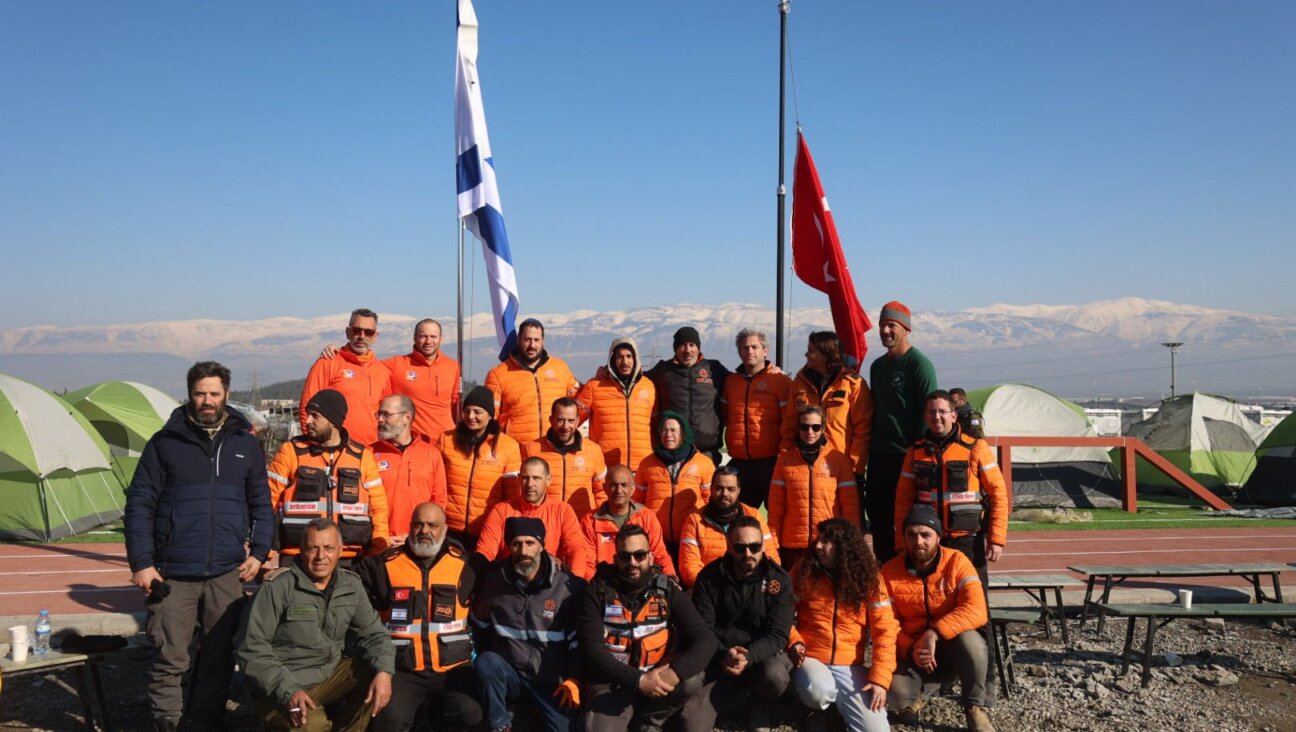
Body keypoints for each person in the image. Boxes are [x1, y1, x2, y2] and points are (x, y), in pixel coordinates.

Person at [124, 361, 273, 732]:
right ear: (190, 393)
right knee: (169, 660)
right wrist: (142, 563)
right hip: (173, 573)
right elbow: (139, 504)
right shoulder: (165, 443)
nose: (207, 400)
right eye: (200, 393)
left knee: (219, 659)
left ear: (226, 395)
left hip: (226, 574)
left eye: (214, 393)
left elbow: (261, 504)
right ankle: (169, 726)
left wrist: (258, 553)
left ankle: (204, 723)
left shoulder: (245, 443)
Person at [894, 389, 1007, 708]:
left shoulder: (975, 448)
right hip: (929, 546)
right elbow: (903, 499)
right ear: (926, 417)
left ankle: (986, 685)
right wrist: (900, 541)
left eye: (942, 412)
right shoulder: (915, 451)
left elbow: (998, 493)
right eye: (931, 413)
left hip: (967, 544)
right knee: (926, 609)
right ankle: (934, 677)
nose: (937, 417)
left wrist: (996, 538)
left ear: (954, 415)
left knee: (977, 613)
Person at [239, 518, 395, 732]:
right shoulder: (277, 587)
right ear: (302, 551)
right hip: (280, 686)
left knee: (373, 673)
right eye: (313, 548)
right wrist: (288, 691)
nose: (321, 556)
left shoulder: (350, 585)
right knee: (314, 726)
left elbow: (375, 635)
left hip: (326, 676)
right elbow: (251, 649)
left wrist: (385, 672)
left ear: (340, 551)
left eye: (329, 548)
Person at [352, 502, 483, 732]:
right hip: (403, 670)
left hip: (452, 669)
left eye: (432, 525)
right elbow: (345, 580)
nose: (424, 531)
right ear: (410, 527)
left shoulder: (465, 565)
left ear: (444, 530)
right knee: (387, 722)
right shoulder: (384, 564)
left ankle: (432, 717)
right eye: (418, 524)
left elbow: (506, 575)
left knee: (471, 713)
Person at [576, 524, 717, 732]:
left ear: (651, 557)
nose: (632, 563)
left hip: (659, 675)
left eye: (640, 555)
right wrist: (639, 680)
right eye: (625, 556)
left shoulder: (667, 590)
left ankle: (649, 721)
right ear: (616, 559)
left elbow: (706, 639)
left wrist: (675, 673)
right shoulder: (596, 592)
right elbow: (592, 652)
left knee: (691, 681)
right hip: (614, 680)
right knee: (595, 729)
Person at [470, 516, 587, 732]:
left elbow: (578, 642)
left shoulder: (567, 587)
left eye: (530, 543)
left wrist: (574, 678)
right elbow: (480, 630)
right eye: (516, 543)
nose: (523, 551)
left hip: (552, 682)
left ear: (542, 545)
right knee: (486, 662)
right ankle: (500, 723)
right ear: (509, 547)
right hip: (511, 676)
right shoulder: (493, 584)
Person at [882, 506, 993, 732]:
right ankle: (923, 692)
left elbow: (977, 609)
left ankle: (974, 708)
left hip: (951, 647)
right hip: (913, 652)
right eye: (911, 535)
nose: (918, 541)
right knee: (895, 695)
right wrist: (911, 648)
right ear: (903, 537)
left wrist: (934, 633)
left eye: (925, 535)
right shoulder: (888, 572)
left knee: (973, 643)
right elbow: (884, 623)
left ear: (938, 537)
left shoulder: (957, 562)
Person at [681, 515, 795, 732]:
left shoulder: (778, 580)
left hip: (760, 659)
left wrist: (748, 657)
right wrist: (725, 654)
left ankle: (759, 703)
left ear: (763, 545)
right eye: (740, 547)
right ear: (729, 546)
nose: (748, 554)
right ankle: (721, 695)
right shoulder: (709, 577)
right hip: (719, 659)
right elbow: (703, 629)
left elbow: (778, 634)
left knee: (776, 677)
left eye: (755, 546)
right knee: (691, 725)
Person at [787, 518, 897, 732]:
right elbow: (780, 615)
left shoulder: (869, 579)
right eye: (818, 539)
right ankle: (815, 709)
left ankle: (836, 711)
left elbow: (885, 630)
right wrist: (794, 641)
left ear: (844, 547)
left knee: (876, 730)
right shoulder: (804, 571)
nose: (818, 545)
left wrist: (880, 679)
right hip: (810, 658)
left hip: (850, 665)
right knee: (818, 691)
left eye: (827, 541)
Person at [267, 389, 389, 562]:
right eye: (308, 414)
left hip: (349, 558)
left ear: (333, 421)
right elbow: (266, 500)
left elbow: (378, 508)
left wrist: (378, 549)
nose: (307, 420)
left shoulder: (362, 457)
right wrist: (264, 547)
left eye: (315, 416)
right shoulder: (290, 452)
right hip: (298, 555)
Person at [865, 300, 938, 563]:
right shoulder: (877, 367)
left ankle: (909, 569)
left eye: (891, 325)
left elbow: (930, 412)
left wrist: (917, 451)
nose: (885, 331)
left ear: (905, 329)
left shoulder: (919, 364)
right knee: (878, 516)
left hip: (907, 455)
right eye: (883, 325)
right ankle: (885, 571)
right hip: (879, 454)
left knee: (907, 517)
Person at [767, 406, 859, 569]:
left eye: (815, 427)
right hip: (794, 546)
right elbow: (776, 508)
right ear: (798, 428)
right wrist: (774, 543)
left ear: (823, 428)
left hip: (828, 544)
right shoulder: (784, 460)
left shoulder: (838, 460)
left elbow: (849, 507)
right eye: (804, 427)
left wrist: (850, 542)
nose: (810, 432)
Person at [476, 457, 593, 579]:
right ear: (519, 480)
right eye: (525, 478)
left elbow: (576, 548)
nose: (530, 484)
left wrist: (575, 583)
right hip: (510, 579)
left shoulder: (562, 510)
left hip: (550, 581)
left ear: (548, 480)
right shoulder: (501, 510)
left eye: (536, 478)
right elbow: (485, 551)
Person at [437, 385, 522, 548]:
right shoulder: (446, 440)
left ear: (490, 415)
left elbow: (512, 494)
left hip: (487, 529)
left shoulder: (507, 446)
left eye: (477, 412)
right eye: (467, 411)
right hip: (449, 528)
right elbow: (435, 484)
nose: (471, 416)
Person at [723, 328, 794, 509]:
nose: (750, 352)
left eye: (755, 347)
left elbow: (791, 420)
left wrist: (785, 455)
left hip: (770, 462)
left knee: (778, 515)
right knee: (739, 518)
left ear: (765, 350)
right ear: (739, 352)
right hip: (740, 462)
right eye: (745, 348)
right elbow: (723, 415)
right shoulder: (731, 382)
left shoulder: (780, 381)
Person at [300, 308, 393, 445]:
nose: (362, 336)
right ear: (348, 332)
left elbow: (387, 414)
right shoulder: (328, 362)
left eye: (368, 332)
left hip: (371, 451)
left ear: (375, 336)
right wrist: (316, 445)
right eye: (357, 330)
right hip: (335, 449)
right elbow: (306, 408)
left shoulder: (382, 371)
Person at [784, 331, 872, 475]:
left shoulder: (853, 384)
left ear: (826, 354)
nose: (806, 354)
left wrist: (855, 469)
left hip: (839, 467)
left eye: (811, 350)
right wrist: (785, 459)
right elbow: (788, 426)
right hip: (803, 466)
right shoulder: (799, 383)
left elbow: (862, 431)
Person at [677, 465, 780, 588]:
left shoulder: (754, 516)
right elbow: (689, 566)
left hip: (750, 588)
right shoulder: (695, 520)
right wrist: (712, 589)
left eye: (731, 489)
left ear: (739, 491)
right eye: (719, 488)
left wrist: (752, 588)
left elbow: (771, 558)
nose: (724, 494)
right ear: (711, 489)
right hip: (710, 589)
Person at [485, 318, 581, 444]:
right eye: (527, 340)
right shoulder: (498, 374)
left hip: (552, 448)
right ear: (519, 340)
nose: (532, 345)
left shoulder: (560, 368)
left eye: (536, 340)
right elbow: (488, 417)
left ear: (543, 342)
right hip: (517, 451)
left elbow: (583, 399)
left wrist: (603, 375)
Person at [634, 411, 716, 559]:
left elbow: (711, 502)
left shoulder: (703, 463)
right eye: (664, 430)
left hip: (690, 538)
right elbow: (637, 502)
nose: (668, 434)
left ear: (683, 433)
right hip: (655, 539)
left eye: (673, 430)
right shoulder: (647, 464)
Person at [645, 326, 730, 465]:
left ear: (698, 347)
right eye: (682, 345)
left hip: (707, 454)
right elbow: (635, 378)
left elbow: (740, 380)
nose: (687, 350)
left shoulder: (714, 369)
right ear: (675, 349)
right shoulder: (663, 371)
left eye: (692, 345)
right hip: (673, 454)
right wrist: (606, 371)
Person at [371, 394, 447, 543]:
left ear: (406, 418)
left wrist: (417, 535)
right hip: (380, 542)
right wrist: (380, 536)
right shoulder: (369, 453)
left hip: (418, 541)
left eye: (386, 414)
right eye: (379, 414)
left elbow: (439, 501)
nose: (380, 419)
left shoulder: (431, 453)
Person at [575, 336, 657, 470]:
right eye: (620, 357)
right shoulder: (594, 386)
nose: (625, 361)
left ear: (635, 358)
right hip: (606, 467)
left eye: (629, 356)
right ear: (612, 359)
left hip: (642, 468)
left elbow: (657, 424)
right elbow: (573, 419)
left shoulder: (648, 386)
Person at [582, 464, 677, 576]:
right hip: (606, 584)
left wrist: (670, 577)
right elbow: (588, 563)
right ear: (605, 488)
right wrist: (594, 588)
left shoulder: (646, 517)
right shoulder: (590, 521)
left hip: (641, 581)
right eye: (613, 485)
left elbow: (659, 554)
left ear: (632, 489)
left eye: (624, 485)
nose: (619, 490)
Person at [522, 397, 608, 518]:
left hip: (581, 523)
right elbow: (522, 490)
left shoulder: (593, 450)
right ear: (551, 420)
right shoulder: (532, 449)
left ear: (578, 421)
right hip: (543, 522)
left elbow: (601, 492)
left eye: (571, 420)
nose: (566, 426)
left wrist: (600, 519)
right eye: (560, 420)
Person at [384, 318, 462, 438]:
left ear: (441, 339)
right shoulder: (395, 365)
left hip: (447, 441)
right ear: (414, 338)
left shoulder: (452, 366)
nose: (428, 341)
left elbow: (455, 402)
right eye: (423, 336)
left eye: (433, 336)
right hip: (414, 442)